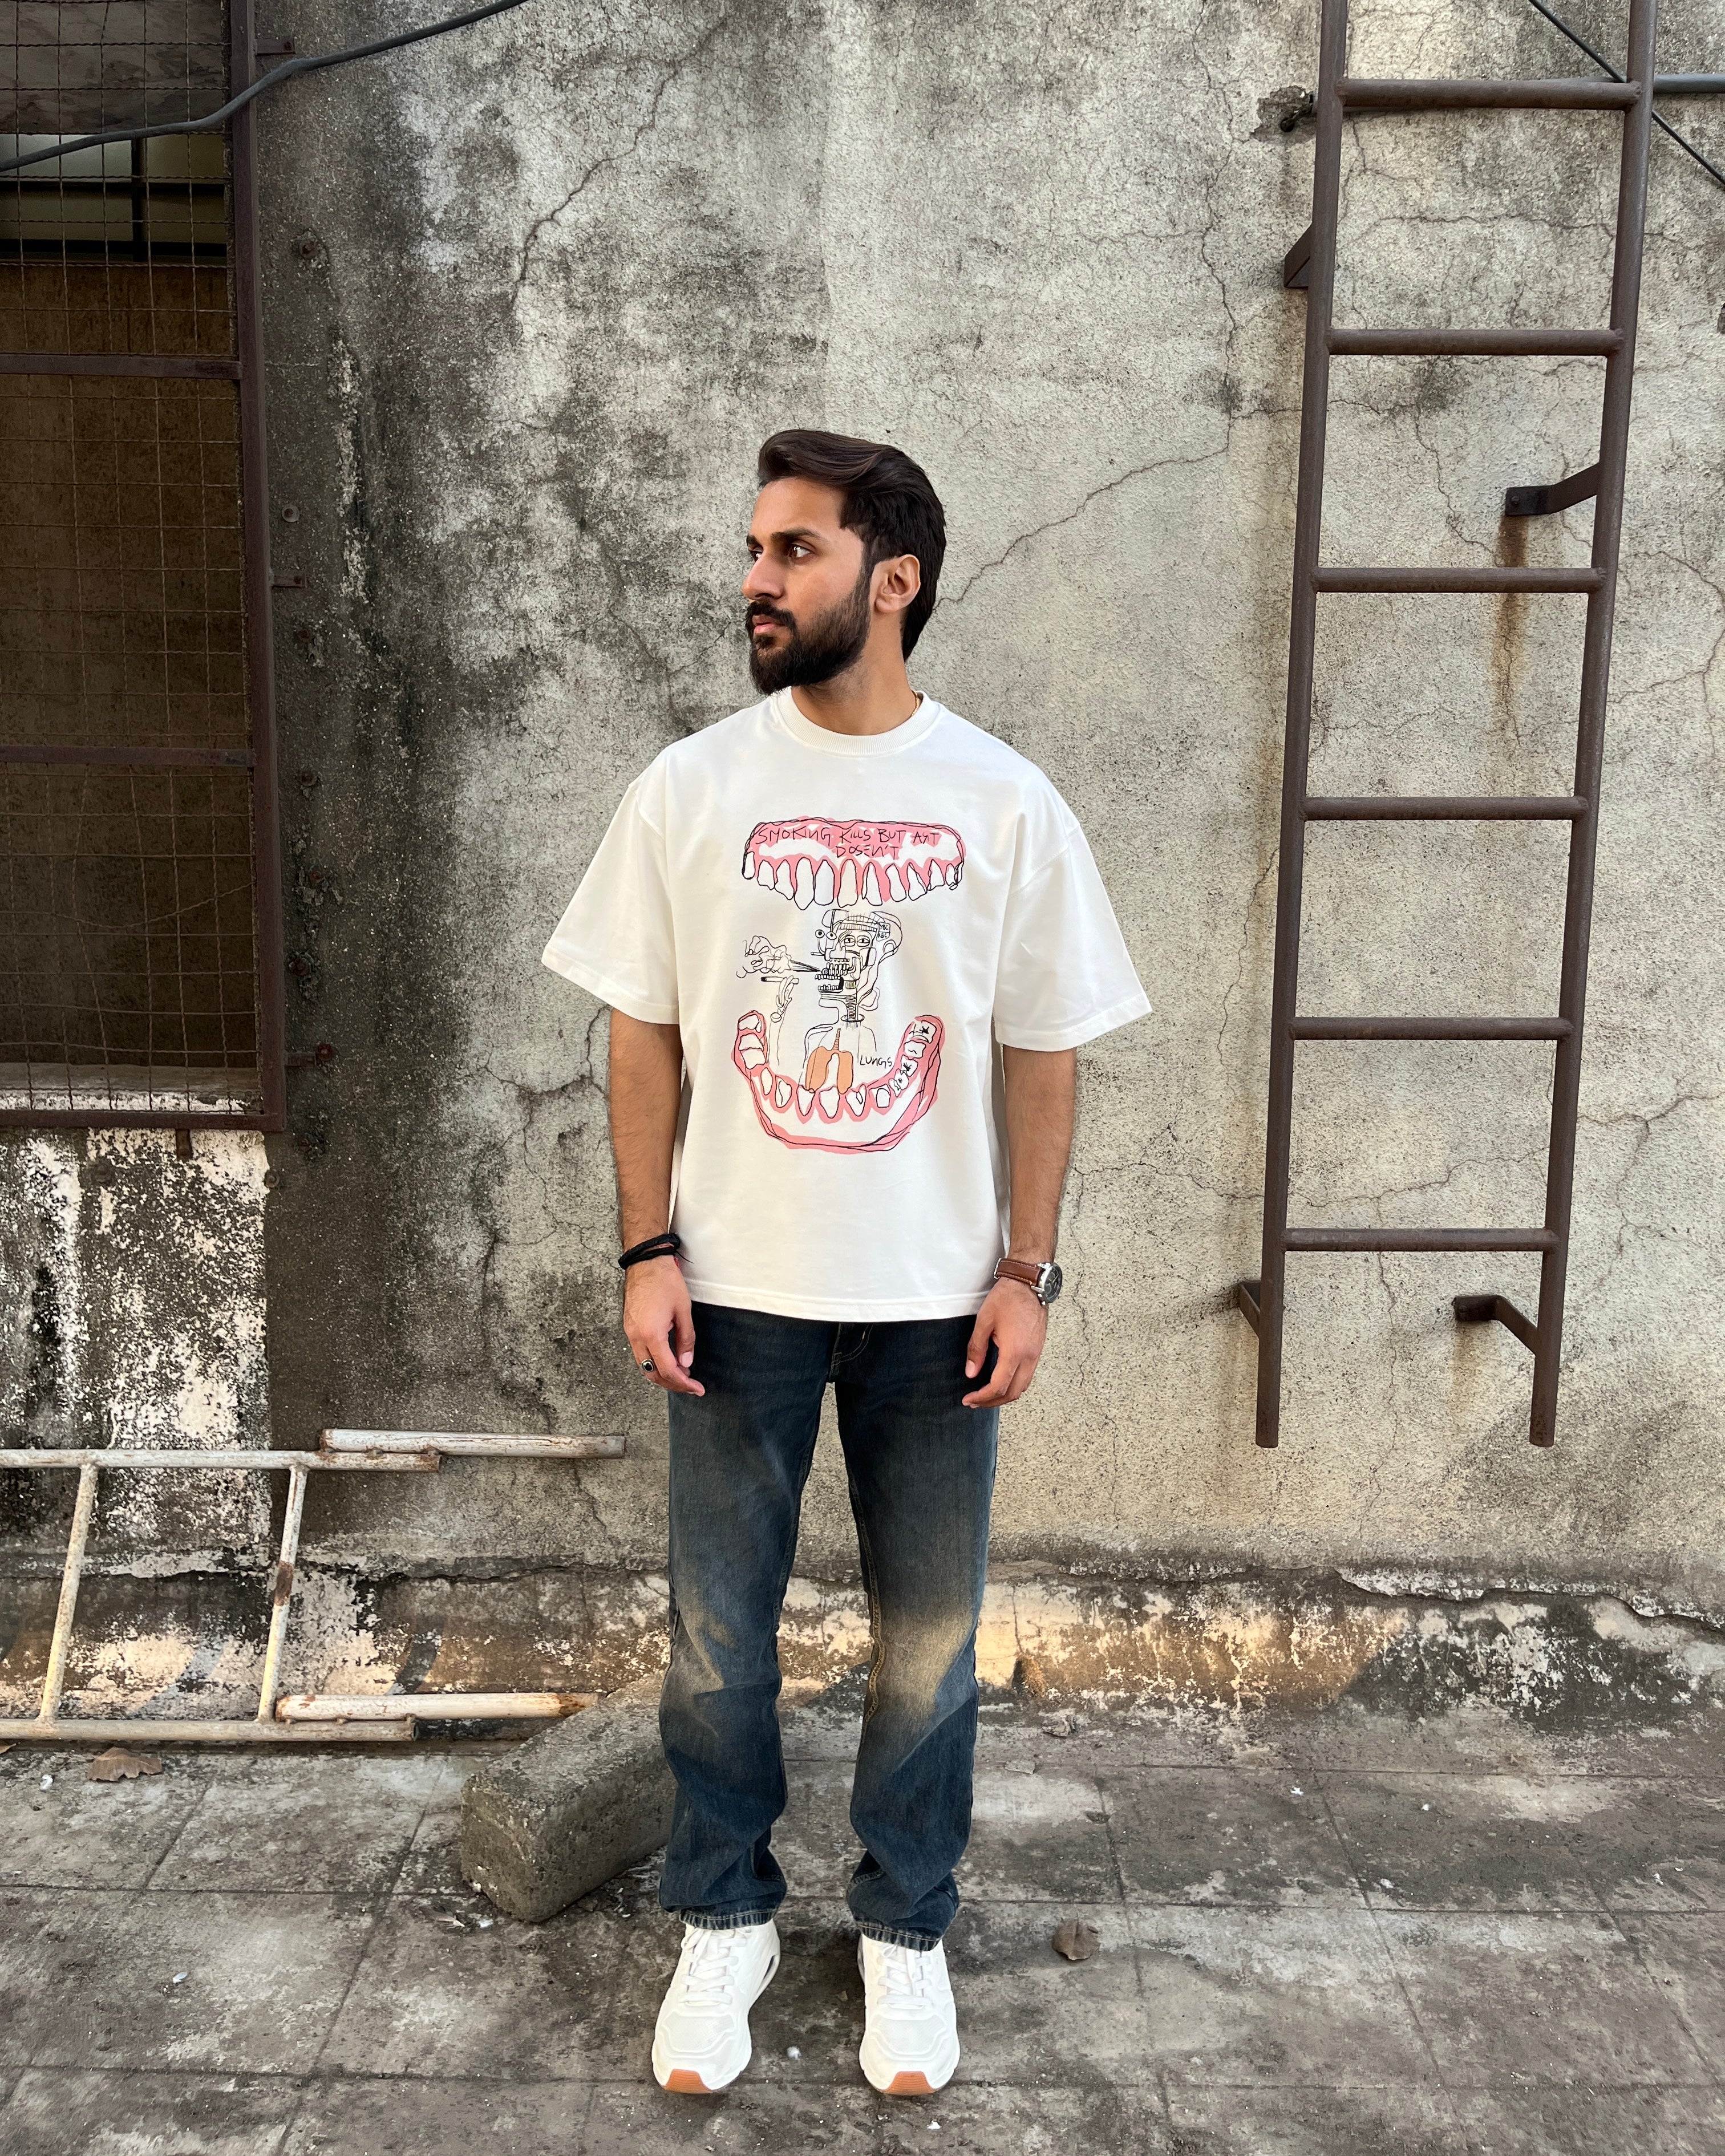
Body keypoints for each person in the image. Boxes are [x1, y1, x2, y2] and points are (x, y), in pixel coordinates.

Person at [542, 428, 1149, 2098]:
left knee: (930, 1641)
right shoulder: (690, 789)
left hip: (938, 1300)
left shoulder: (1004, 801)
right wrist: (647, 1243)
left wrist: (1029, 1269)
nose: (755, 578)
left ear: (894, 580)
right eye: (754, 548)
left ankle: (904, 1925)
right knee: (717, 1633)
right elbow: (644, 1032)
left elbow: (1043, 1049)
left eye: (794, 550)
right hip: (734, 1282)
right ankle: (723, 1912)